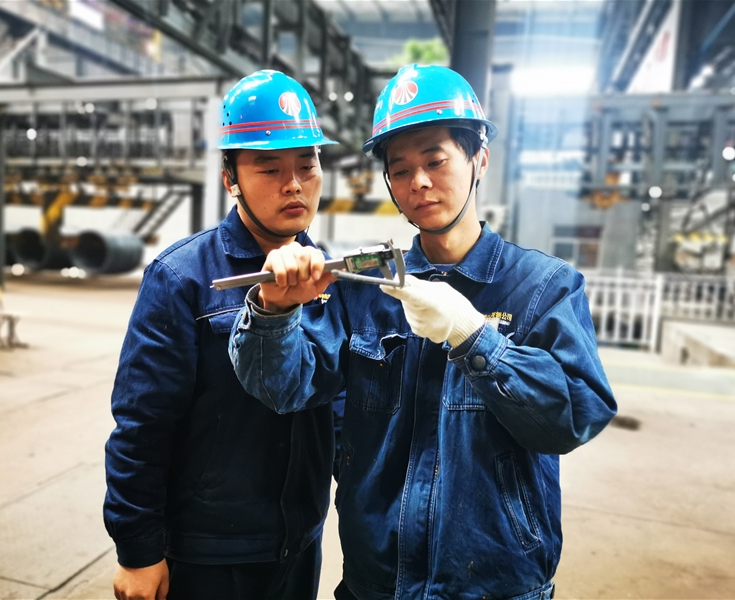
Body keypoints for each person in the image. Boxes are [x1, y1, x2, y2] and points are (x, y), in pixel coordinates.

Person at [229, 64, 617, 600]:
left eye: (436, 161)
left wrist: (474, 337)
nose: (420, 183)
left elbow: (575, 417)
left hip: (496, 586)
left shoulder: (543, 286)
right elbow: (284, 387)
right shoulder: (367, 285)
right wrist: (274, 311)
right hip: (375, 581)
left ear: (479, 158)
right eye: (401, 170)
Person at [104, 69, 343, 600]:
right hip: (207, 553)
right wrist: (138, 550)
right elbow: (142, 423)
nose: (294, 184)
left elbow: (337, 405)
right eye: (270, 168)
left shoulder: (326, 274)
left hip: (299, 541)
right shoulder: (183, 278)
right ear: (230, 178)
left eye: (307, 165)